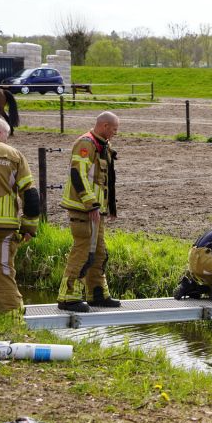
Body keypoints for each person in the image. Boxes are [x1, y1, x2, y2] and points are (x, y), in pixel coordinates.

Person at [56, 111, 121, 313]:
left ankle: (97, 294)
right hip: (82, 209)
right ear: (104, 126)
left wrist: (109, 208)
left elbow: (106, 179)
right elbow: (78, 174)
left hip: (96, 211)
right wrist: (91, 204)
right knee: (82, 251)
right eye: (114, 129)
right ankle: (67, 297)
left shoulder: (103, 145)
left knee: (100, 253)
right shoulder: (85, 144)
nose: (115, 134)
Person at [0, 116, 40, 321]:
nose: (6, 140)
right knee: (2, 272)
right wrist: (29, 228)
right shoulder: (14, 155)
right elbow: (30, 194)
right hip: (2, 227)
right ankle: (12, 317)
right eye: (6, 136)